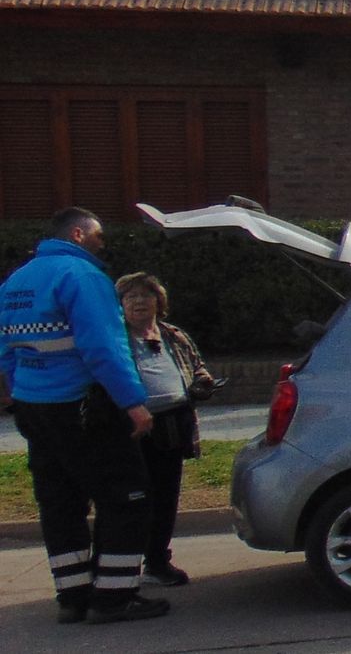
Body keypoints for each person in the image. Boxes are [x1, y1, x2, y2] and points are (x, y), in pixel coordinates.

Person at [0, 208, 169, 624]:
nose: (101, 243)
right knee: (127, 496)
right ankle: (114, 596)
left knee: (59, 501)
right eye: (97, 235)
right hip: (82, 407)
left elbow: (6, 351)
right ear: (78, 234)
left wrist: (17, 395)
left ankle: (72, 595)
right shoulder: (82, 277)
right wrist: (133, 402)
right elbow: (104, 347)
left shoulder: (17, 281)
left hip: (35, 407)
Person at [116, 272, 216, 587]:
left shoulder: (174, 335)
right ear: (120, 305)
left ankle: (158, 562)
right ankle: (121, 569)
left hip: (173, 423)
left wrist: (203, 383)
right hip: (132, 428)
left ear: (159, 302)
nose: (138, 302)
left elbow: (198, 368)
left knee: (166, 497)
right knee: (134, 498)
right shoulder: (115, 339)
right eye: (130, 297)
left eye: (145, 296)